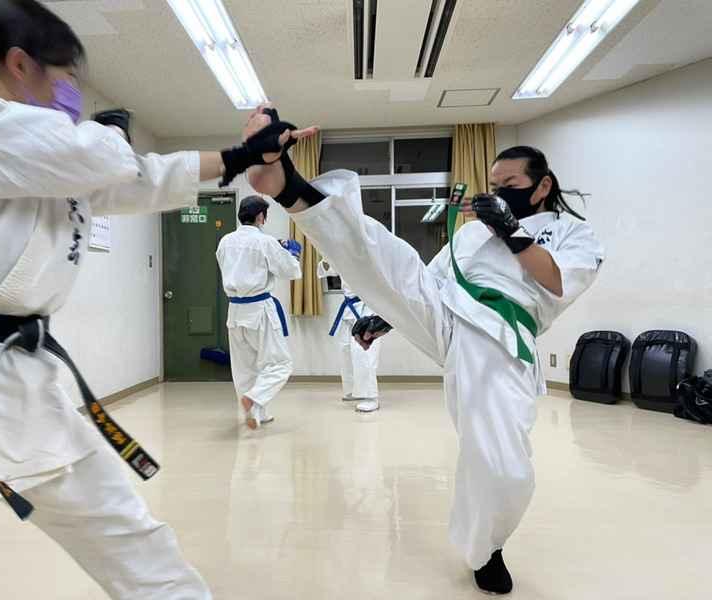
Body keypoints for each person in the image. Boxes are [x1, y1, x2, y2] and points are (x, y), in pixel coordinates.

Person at [0, 2, 316, 598]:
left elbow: (135, 179)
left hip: (23, 377)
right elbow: (97, 157)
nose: (73, 92)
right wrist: (108, 135)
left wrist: (242, 158)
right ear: (19, 63)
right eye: (65, 77)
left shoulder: (49, 154)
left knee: (129, 533)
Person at [244, 106, 604, 595]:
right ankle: (289, 186)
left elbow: (557, 282)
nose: (498, 192)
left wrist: (511, 230)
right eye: (494, 184)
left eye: (510, 183)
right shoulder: (471, 232)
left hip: (500, 339)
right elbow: (424, 280)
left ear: (541, 186)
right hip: (447, 314)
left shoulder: (569, 233)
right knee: (386, 252)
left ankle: (488, 547)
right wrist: (385, 315)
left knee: (505, 468)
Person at [216, 196, 302, 429]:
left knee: (245, 367)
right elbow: (290, 271)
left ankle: (255, 413)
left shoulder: (225, 241)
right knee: (280, 364)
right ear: (261, 217)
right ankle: (254, 399)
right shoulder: (265, 242)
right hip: (260, 309)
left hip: (235, 311)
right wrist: (292, 252)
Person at [317, 259, 382, 412]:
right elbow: (329, 269)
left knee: (364, 353)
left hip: (367, 308)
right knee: (345, 349)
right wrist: (327, 259)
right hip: (349, 307)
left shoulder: (371, 251)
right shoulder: (344, 249)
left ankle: (370, 397)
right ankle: (353, 390)